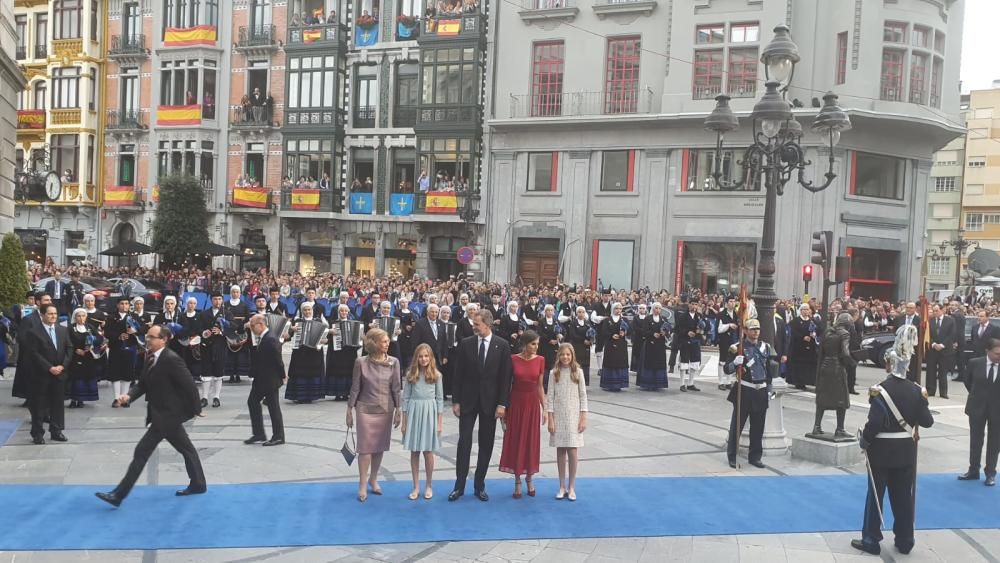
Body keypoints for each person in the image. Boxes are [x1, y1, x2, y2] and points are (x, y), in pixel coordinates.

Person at [95, 324, 206, 508]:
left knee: (141, 451)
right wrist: (128, 396)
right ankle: (199, 484)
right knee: (187, 449)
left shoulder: (172, 359)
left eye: (152, 337)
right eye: (147, 336)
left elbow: (189, 385)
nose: (148, 339)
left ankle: (119, 495)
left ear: (164, 340)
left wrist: (196, 409)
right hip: (160, 414)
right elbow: (143, 384)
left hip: (167, 416)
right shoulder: (150, 357)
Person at [852, 332, 934, 556]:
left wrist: (865, 440)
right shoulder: (918, 390)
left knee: (875, 496)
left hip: (880, 452)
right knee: (903, 497)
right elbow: (927, 422)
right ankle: (905, 539)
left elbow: (875, 422)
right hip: (906, 452)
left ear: (889, 364)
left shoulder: (880, 390)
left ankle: (871, 539)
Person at [449, 309, 512, 502]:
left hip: (491, 403)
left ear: (487, 324)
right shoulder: (466, 344)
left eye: (476, 324)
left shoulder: (502, 345)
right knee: (464, 443)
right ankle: (459, 486)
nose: (473, 326)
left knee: (486, 444)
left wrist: (502, 404)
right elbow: (457, 374)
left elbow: (505, 378)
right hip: (467, 401)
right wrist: (456, 400)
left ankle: (479, 485)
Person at [346, 328, 401, 502]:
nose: (388, 344)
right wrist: (349, 409)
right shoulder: (360, 362)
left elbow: (396, 388)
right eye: (384, 341)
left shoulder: (394, 362)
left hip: (385, 409)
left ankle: (374, 479)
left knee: (379, 447)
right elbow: (355, 387)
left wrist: (399, 409)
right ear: (374, 344)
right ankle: (362, 484)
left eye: (387, 341)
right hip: (364, 409)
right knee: (365, 448)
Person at [723, 318, 775, 468]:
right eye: (752, 329)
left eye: (757, 329)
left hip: (760, 391)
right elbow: (727, 369)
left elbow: (768, 371)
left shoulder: (765, 347)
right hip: (744, 391)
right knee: (737, 427)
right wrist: (735, 363)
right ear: (745, 331)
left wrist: (769, 390)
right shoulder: (736, 348)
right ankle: (732, 455)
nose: (756, 332)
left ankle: (755, 456)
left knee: (758, 427)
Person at [499, 330, 545, 499]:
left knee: (531, 440)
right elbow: (506, 385)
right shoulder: (513, 359)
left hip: (532, 404)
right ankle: (517, 480)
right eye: (533, 344)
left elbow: (540, 387)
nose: (536, 347)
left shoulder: (540, 360)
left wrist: (544, 408)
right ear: (525, 344)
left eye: (537, 344)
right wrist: (503, 407)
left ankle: (530, 478)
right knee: (516, 440)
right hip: (516, 403)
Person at [400, 343, 444, 500]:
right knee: (414, 451)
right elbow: (405, 398)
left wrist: (439, 422)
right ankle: (416, 486)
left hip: (429, 413)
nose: (423, 359)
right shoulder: (411, 374)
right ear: (416, 358)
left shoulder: (437, 376)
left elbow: (440, 400)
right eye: (420, 356)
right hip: (414, 412)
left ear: (430, 357)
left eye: (426, 356)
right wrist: (404, 422)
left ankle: (429, 484)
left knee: (428, 451)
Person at [547, 343, 589, 501]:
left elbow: (583, 395)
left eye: (568, 354)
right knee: (560, 451)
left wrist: (583, 416)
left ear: (572, 356)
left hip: (573, 416)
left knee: (572, 450)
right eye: (562, 354)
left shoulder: (578, 372)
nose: (565, 357)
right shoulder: (553, 373)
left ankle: (572, 486)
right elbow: (549, 397)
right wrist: (550, 418)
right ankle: (561, 486)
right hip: (558, 417)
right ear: (558, 356)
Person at [25, 304, 72, 444]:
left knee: (57, 404)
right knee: (39, 404)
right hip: (42, 374)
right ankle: (37, 433)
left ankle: (56, 430)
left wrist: (63, 366)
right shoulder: (34, 332)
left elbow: (69, 348)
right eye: (50, 314)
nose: (53, 316)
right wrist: (49, 367)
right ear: (43, 315)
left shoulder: (62, 330)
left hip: (60, 373)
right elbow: (34, 353)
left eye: (55, 313)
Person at [958, 337, 1000, 487]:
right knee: (976, 440)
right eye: (996, 353)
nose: (998, 357)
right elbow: (967, 381)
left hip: (997, 410)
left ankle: (990, 473)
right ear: (987, 351)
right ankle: (973, 470)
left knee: (995, 442)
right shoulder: (975, 363)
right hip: (977, 407)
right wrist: (977, 396)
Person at [811, 313, 856, 438]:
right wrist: (852, 363)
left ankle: (817, 426)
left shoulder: (827, 332)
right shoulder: (844, 334)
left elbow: (821, 353)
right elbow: (846, 353)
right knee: (842, 399)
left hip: (825, 367)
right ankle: (840, 428)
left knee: (822, 397)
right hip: (837, 369)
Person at [245, 315, 286, 446]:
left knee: (273, 407)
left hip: (269, 379)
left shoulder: (270, 339)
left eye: (252, 326)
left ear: (261, 324)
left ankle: (278, 436)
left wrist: (283, 375)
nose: (251, 328)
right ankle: (259, 434)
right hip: (262, 378)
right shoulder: (265, 337)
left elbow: (278, 360)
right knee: (253, 402)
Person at [284, 302, 327, 403]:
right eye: (305, 310)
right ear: (302, 311)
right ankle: (299, 396)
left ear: (312, 310)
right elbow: (288, 336)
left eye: (309, 310)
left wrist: (324, 341)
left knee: (313, 373)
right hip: (300, 352)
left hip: (314, 353)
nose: (307, 312)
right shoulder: (297, 321)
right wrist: (291, 330)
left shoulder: (319, 321)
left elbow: (325, 337)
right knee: (299, 373)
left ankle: (311, 396)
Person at [67, 308, 103, 408]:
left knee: (85, 378)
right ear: (75, 317)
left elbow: (100, 338)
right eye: (78, 316)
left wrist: (93, 341)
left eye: (83, 316)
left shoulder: (90, 327)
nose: (81, 318)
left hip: (88, 357)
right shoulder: (70, 328)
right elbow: (66, 341)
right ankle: (73, 400)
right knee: (75, 378)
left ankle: (81, 399)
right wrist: (75, 350)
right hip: (75, 357)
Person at [106, 297, 139, 407]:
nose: (124, 306)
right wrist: (118, 336)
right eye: (122, 303)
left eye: (126, 304)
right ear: (117, 305)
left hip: (130, 348)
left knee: (127, 373)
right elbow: (107, 332)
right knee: (115, 372)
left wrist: (134, 331)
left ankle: (124, 397)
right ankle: (116, 398)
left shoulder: (134, 316)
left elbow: (143, 329)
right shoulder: (111, 317)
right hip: (116, 347)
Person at [198, 292, 229, 407]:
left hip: (220, 346)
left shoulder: (227, 314)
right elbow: (198, 328)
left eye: (219, 299)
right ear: (211, 300)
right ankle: (204, 397)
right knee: (205, 372)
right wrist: (203, 332)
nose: (217, 301)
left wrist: (221, 332)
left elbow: (234, 327)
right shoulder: (203, 314)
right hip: (206, 346)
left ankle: (216, 397)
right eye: (215, 299)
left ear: (222, 300)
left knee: (218, 372)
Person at [325, 304, 359, 401]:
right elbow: (326, 338)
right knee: (337, 371)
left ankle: (347, 393)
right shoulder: (333, 323)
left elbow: (357, 339)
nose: (343, 313)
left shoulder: (354, 323)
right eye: (341, 311)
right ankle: (337, 393)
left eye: (345, 311)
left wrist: (358, 341)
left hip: (349, 352)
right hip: (337, 351)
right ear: (338, 312)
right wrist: (330, 332)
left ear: (348, 313)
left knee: (349, 371)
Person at [925, 304, 956, 399]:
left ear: (942, 310)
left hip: (945, 350)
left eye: (936, 311)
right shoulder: (930, 321)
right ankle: (930, 390)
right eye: (933, 311)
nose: (934, 313)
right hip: (933, 350)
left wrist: (942, 345)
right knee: (931, 370)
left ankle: (943, 392)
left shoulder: (950, 321)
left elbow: (952, 335)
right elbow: (928, 335)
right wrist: (934, 344)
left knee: (943, 372)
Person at [637, 303, 669, 391]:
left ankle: (658, 383)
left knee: (659, 363)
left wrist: (665, 333)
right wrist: (652, 334)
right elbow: (644, 332)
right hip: (650, 345)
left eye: (659, 308)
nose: (657, 310)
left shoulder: (663, 319)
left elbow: (668, 330)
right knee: (649, 363)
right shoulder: (648, 318)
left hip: (660, 345)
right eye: (656, 308)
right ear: (653, 309)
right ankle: (647, 383)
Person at [788, 303, 819, 389]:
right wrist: (802, 337)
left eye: (807, 309)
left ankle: (808, 381)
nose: (806, 311)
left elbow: (818, 330)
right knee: (799, 366)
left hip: (810, 348)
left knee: (808, 366)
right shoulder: (795, 321)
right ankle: (799, 382)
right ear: (800, 311)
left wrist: (814, 334)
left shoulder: (812, 321)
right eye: (804, 309)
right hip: (799, 348)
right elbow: (793, 333)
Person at [599, 303, 630, 391]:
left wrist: (624, 333)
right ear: (613, 309)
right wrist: (611, 335)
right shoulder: (607, 320)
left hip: (621, 345)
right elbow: (603, 332)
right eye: (616, 308)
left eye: (620, 309)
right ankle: (608, 384)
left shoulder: (624, 320)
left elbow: (630, 330)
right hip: (610, 345)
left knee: (620, 362)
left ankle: (619, 384)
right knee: (610, 362)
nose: (618, 310)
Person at [563, 307, 593, 386]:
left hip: (586, 348)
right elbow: (573, 335)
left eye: (583, 312)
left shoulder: (587, 323)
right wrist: (583, 340)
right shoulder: (573, 323)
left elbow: (591, 333)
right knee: (576, 364)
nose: (581, 314)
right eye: (579, 312)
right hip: (577, 346)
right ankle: (575, 380)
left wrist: (591, 340)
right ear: (576, 313)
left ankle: (584, 382)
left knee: (585, 365)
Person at [716, 297, 740, 390]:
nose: (733, 303)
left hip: (734, 341)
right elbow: (719, 329)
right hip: (724, 340)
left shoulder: (736, 314)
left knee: (731, 360)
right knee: (722, 361)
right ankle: (721, 382)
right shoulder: (721, 314)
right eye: (730, 301)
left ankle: (728, 382)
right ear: (726, 303)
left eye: (734, 301)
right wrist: (729, 325)